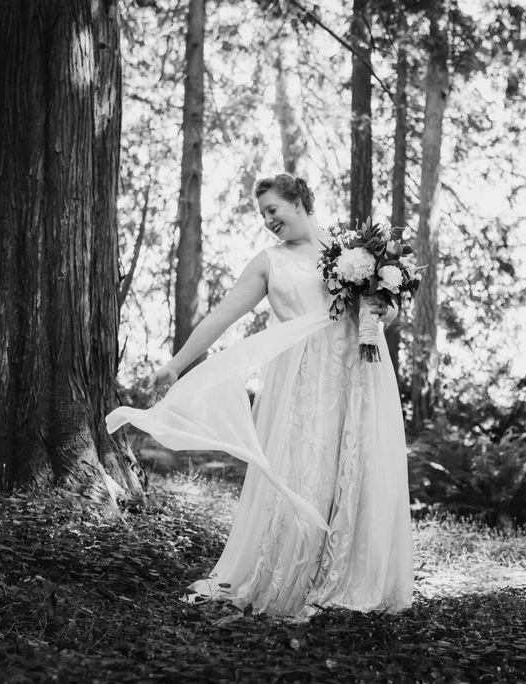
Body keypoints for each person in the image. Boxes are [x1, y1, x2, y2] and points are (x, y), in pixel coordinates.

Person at [106, 174, 413, 618]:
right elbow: (223, 315)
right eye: (263, 215)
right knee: (307, 470)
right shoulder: (269, 262)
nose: (269, 221)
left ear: (300, 201)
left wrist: (387, 306)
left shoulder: (355, 252)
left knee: (358, 469)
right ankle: (296, 576)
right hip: (304, 383)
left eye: (274, 209)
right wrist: (176, 364)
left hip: (360, 377)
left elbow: (386, 310)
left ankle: (351, 575)